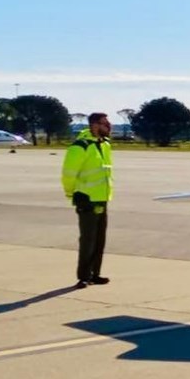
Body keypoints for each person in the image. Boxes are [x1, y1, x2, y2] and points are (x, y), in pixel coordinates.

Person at [62, 112, 114, 289]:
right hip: (86, 199)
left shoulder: (105, 145)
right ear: (94, 125)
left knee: (100, 239)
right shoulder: (80, 146)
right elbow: (68, 174)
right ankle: (83, 276)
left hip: (102, 198)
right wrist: (71, 194)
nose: (108, 125)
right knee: (87, 240)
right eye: (104, 123)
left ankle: (95, 274)